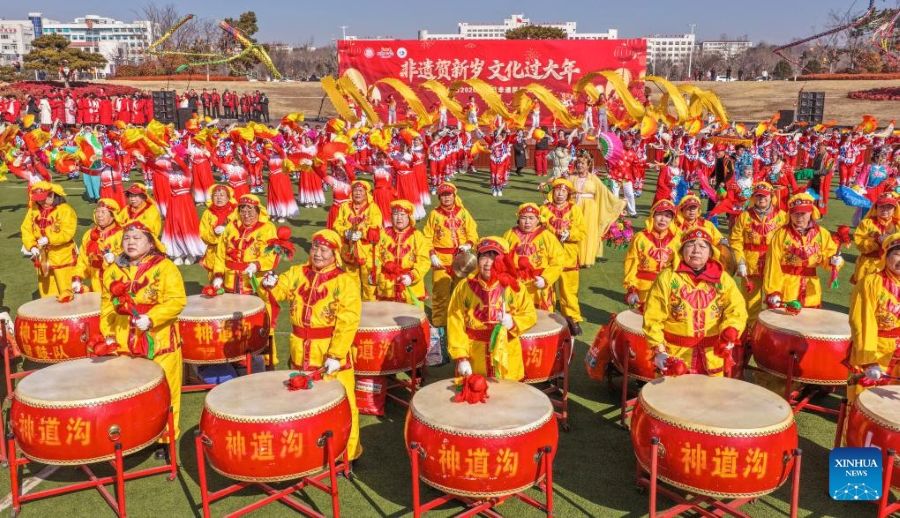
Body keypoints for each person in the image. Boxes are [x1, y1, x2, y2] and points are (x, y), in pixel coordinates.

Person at [262, 229, 363, 463]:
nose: (317, 253)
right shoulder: (297, 272)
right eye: (315, 247)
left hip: (329, 351)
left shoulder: (344, 282)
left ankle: (348, 454)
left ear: (335, 254)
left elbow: (348, 321)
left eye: (324, 249)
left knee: (342, 402)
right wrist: (269, 284)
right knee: (302, 402)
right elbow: (279, 292)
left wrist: (336, 354)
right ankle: (308, 451)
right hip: (300, 347)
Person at [100, 222, 186, 455]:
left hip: (159, 342)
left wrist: (152, 318)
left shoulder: (165, 267)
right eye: (127, 238)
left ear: (150, 242)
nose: (130, 242)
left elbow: (177, 301)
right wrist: (108, 335)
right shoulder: (113, 270)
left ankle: (167, 439)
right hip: (124, 343)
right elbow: (107, 306)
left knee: (166, 391)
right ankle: (136, 436)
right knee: (131, 393)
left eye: (137, 238)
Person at [643, 228, 748, 376]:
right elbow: (653, 318)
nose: (696, 250)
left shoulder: (723, 279)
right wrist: (659, 350)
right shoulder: (667, 278)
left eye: (703, 246)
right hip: (675, 358)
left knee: (711, 398)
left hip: (713, 358)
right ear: (682, 250)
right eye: (690, 244)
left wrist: (731, 329)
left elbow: (736, 309)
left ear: (710, 253)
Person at [447, 236, 537, 380]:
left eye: (495, 257)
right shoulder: (464, 287)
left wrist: (513, 322)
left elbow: (530, 315)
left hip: (507, 353)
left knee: (508, 397)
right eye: (484, 257)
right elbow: (455, 323)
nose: (489, 263)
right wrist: (461, 357)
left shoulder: (514, 286)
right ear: (477, 259)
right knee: (475, 395)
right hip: (474, 356)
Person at [763, 193, 842, 309]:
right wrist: (773, 291)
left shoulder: (822, 234)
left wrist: (833, 261)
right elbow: (772, 265)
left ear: (811, 212)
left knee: (810, 323)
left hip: (811, 291)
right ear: (790, 214)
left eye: (803, 213)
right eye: (795, 213)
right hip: (787, 290)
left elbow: (829, 255)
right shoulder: (781, 234)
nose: (799, 217)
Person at [422, 183, 479, 343]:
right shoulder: (434, 214)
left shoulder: (463, 213)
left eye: (449, 194)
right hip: (441, 259)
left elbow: (473, 232)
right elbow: (426, 236)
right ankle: (440, 326)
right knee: (440, 294)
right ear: (439, 197)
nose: (447, 198)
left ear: (454, 195)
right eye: (443, 195)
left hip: (461, 259)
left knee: (462, 292)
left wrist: (468, 244)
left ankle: (462, 321)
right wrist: (432, 254)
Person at [848, 232, 900, 402]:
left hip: (897, 353)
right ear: (886, 256)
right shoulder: (870, 282)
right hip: (873, 348)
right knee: (862, 401)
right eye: (897, 254)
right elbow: (862, 322)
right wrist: (868, 360)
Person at [730, 182, 788, 323]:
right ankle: (749, 334)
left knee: (775, 300)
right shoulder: (744, 216)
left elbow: (788, 239)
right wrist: (740, 261)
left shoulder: (782, 216)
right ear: (753, 198)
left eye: (765, 196)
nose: (762, 199)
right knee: (750, 303)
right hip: (750, 266)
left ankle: (771, 334)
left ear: (771, 196)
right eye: (758, 196)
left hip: (774, 266)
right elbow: (735, 240)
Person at [540, 178, 587, 335]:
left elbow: (582, 232)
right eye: (557, 190)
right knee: (546, 288)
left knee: (569, 289)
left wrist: (570, 234)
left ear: (568, 194)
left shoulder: (575, 210)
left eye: (564, 191)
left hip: (568, 256)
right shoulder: (544, 209)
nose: (560, 194)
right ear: (552, 192)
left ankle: (572, 318)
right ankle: (546, 316)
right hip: (548, 258)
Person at [503, 202, 564, 313]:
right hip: (515, 285)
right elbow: (501, 259)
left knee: (542, 318)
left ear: (538, 219)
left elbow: (558, 262)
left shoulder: (547, 236)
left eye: (531, 218)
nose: (527, 222)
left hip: (538, 285)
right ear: (518, 219)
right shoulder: (509, 235)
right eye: (523, 218)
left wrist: (545, 279)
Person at [21, 182, 78, 297]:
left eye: (44, 199)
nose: (41, 202)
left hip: (62, 257)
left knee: (66, 289)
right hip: (43, 258)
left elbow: (67, 232)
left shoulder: (65, 210)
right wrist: (31, 246)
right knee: (46, 291)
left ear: (52, 195)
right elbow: (26, 229)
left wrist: (49, 239)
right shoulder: (33, 210)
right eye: (38, 200)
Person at [212, 194, 277, 295]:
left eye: (250, 212)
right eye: (242, 211)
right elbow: (220, 254)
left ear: (258, 211)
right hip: (229, 282)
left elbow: (272, 255)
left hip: (253, 283)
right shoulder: (230, 227)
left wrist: (257, 265)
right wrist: (218, 275)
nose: (246, 215)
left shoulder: (267, 228)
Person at [571, 150, 624, 267]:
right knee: (574, 231)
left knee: (588, 232)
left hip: (590, 209)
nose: (580, 165)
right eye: (578, 163)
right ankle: (574, 257)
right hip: (574, 207)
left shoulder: (594, 179)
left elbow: (605, 193)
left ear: (588, 165)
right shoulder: (571, 178)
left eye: (583, 163)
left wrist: (619, 202)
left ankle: (587, 258)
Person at [623, 200, 681, 307]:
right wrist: (631, 288)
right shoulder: (640, 237)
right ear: (652, 216)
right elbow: (631, 262)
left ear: (672, 219)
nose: (663, 219)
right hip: (643, 287)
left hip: (669, 287)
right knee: (641, 319)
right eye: (659, 214)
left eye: (668, 216)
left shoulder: (678, 238)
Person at [333, 180, 382, 301]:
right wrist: (346, 232)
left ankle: (370, 316)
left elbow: (376, 228)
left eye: (361, 191)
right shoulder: (344, 207)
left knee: (369, 288)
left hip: (368, 253)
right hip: (348, 254)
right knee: (350, 286)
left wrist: (362, 233)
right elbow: (336, 224)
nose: (358, 193)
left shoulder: (373, 208)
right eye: (355, 191)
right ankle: (352, 313)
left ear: (366, 193)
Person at [374, 200, 430, 304]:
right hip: (387, 288)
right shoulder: (383, 234)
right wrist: (375, 273)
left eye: (402, 214)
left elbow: (424, 261)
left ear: (409, 217)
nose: (399, 218)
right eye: (395, 214)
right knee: (387, 318)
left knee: (412, 319)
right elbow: (374, 256)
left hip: (410, 287)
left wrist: (412, 276)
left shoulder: (417, 236)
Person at [72, 199, 124, 293]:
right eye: (97, 211)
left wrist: (116, 258)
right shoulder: (89, 235)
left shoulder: (122, 235)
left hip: (117, 284)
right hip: (96, 284)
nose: (99, 215)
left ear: (113, 216)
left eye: (103, 212)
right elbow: (83, 260)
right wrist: (77, 278)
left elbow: (130, 261)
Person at [851, 193, 898, 284]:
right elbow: (859, 244)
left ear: (894, 209)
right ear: (876, 208)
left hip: (891, 266)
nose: (885, 209)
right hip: (868, 264)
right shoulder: (866, 223)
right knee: (864, 291)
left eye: (889, 207)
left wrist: (891, 242)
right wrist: (876, 241)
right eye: (881, 206)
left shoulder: (897, 225)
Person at [199, 185, 236, 279]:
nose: (219, 198)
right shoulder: (207, 213)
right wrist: (214, 233)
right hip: (214, 252)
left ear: (228, 198)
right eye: (215, 195)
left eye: (222, 195)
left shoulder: (235, 212)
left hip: (231, 253)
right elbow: (203, 234)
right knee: (215, 281)